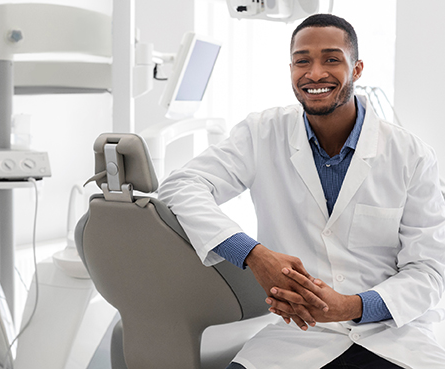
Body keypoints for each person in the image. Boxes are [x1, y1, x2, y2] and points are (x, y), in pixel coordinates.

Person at [158, 13, 445, 369]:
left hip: (390, 336)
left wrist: (350, 306)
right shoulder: (262, 132)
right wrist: (254, 255)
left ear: (356, 70)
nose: (314, 73)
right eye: (302, 61)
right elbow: (180, 186)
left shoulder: (411, 155)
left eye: (331, 59)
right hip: (296, 337)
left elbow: (430, 271)